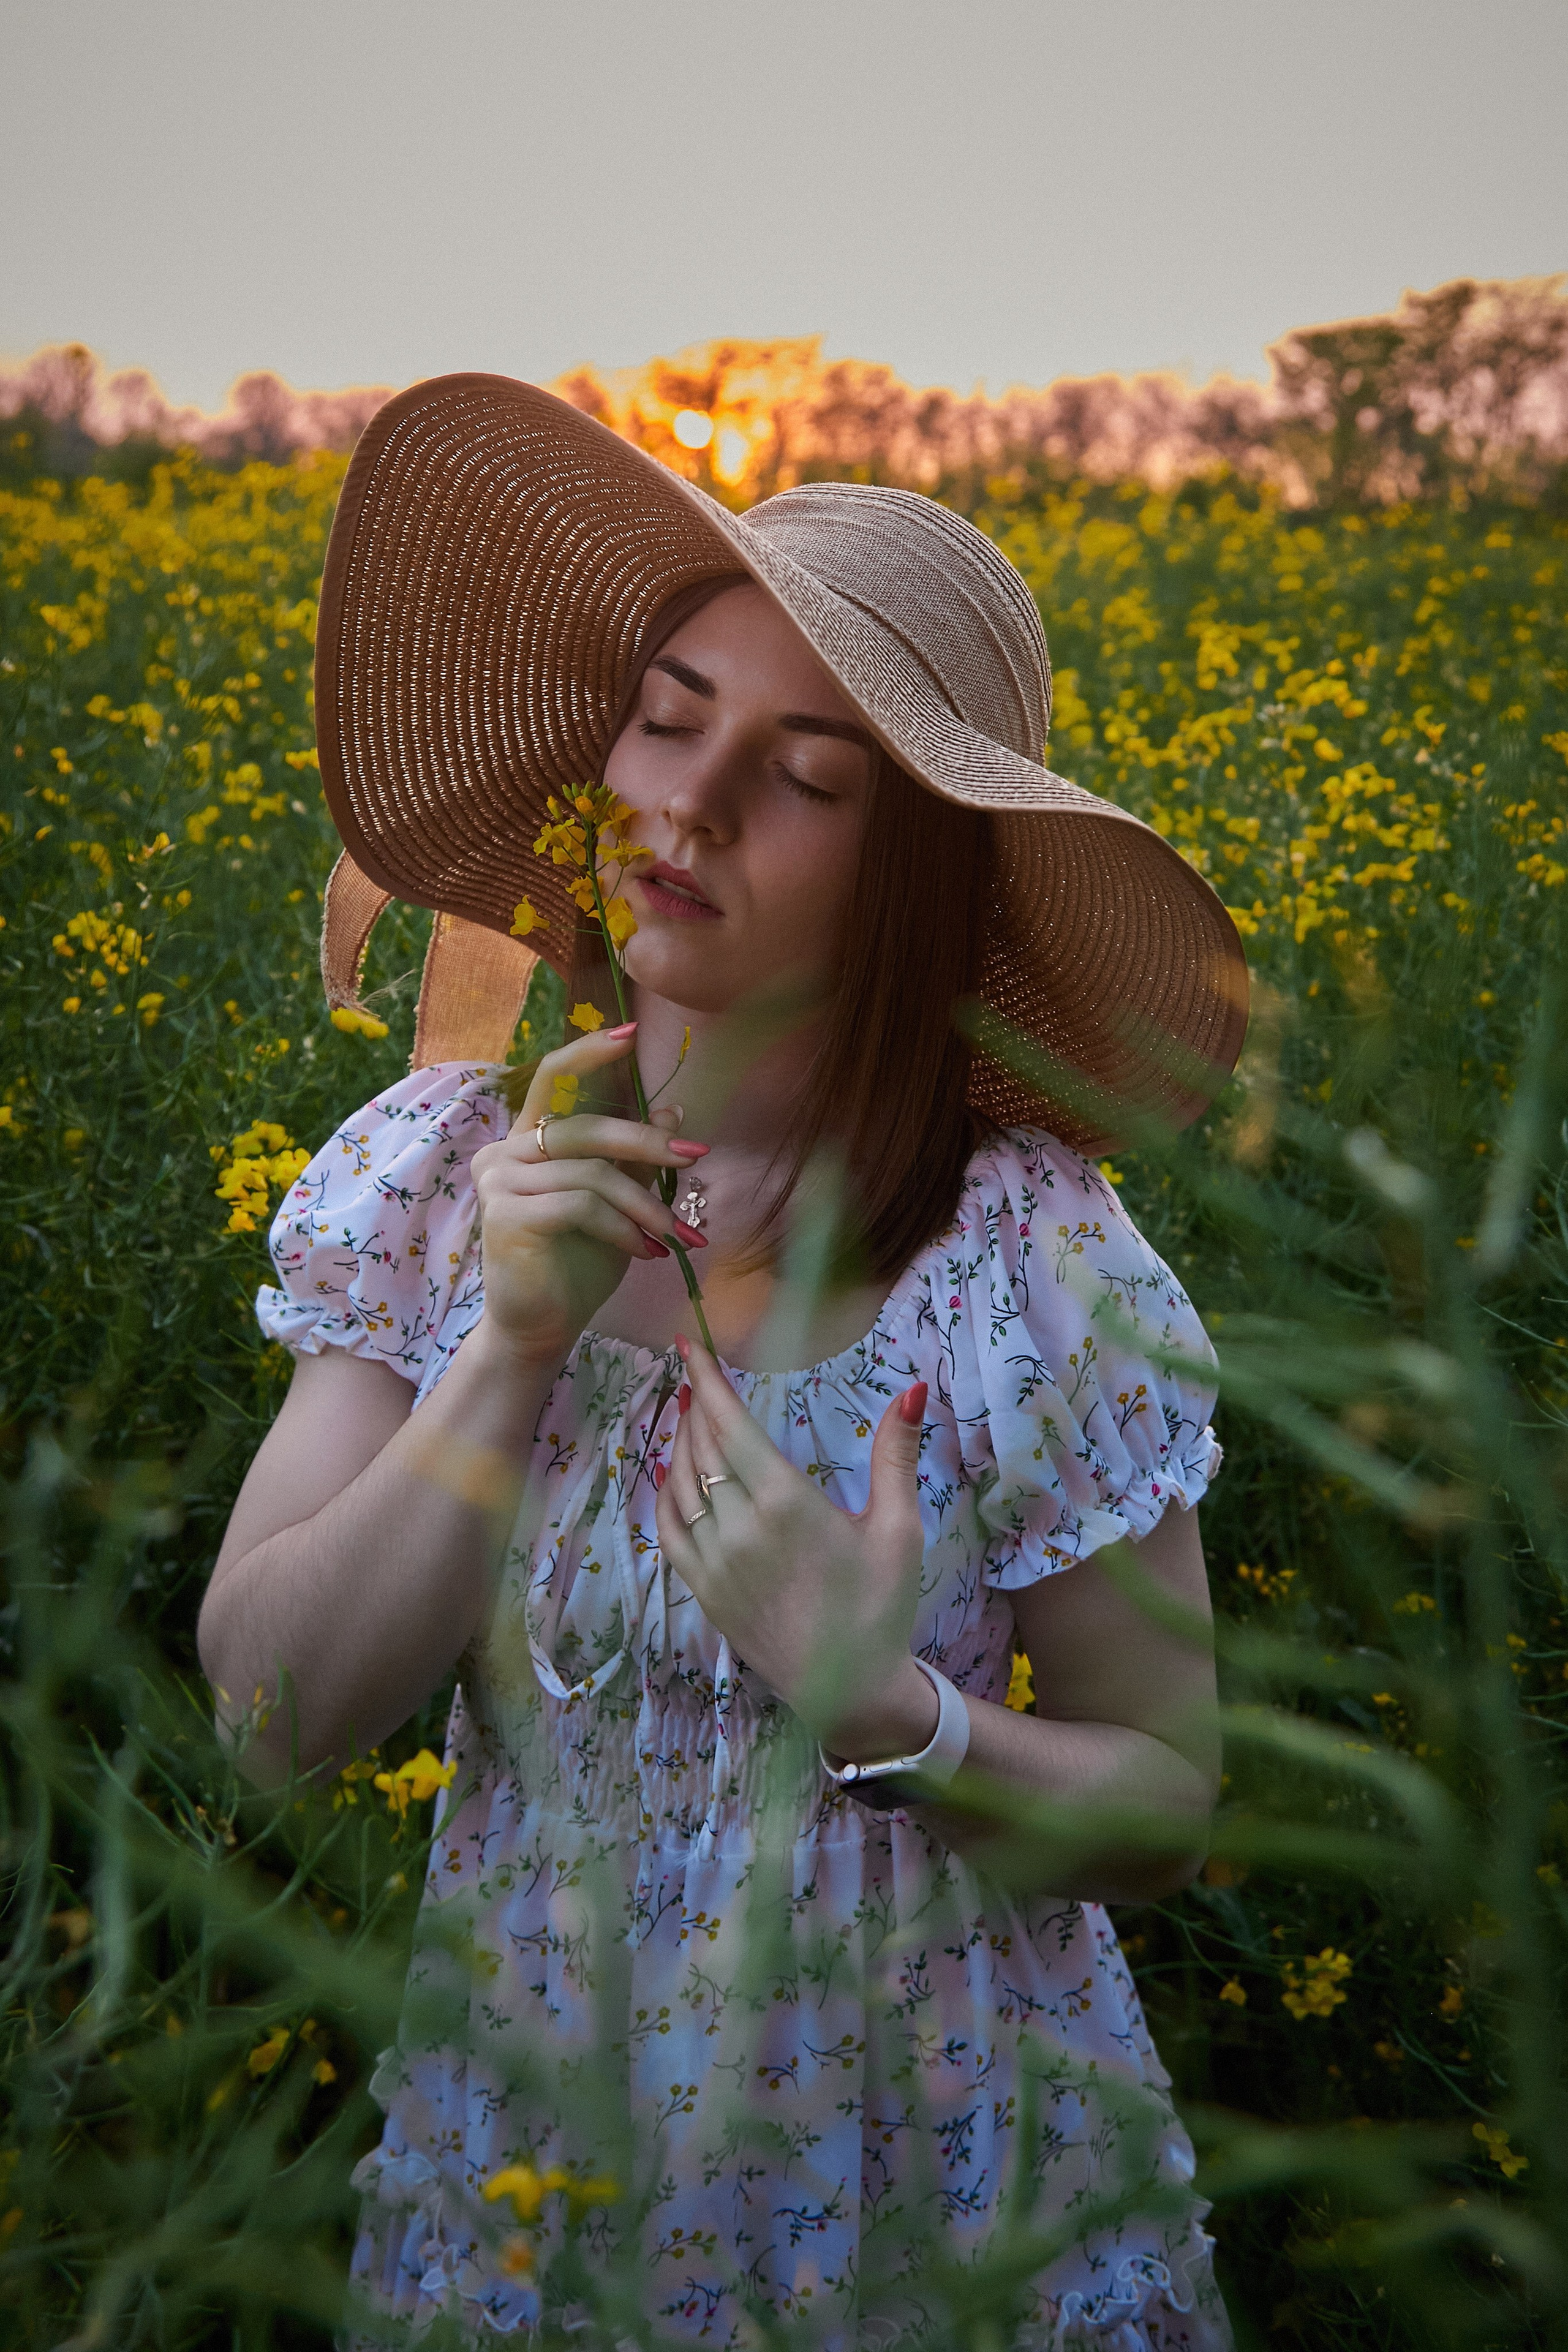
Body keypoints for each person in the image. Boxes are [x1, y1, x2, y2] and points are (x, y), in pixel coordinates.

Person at [198, 376, 1248, 2350]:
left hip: (948, 2196)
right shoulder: (432, 1188)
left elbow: (1167, 1803)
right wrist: (504, 1357)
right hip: (538, 2165)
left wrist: (888, 1708)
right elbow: (270, 1715)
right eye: (669, 713)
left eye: (806, 774)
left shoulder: (1024, 1264)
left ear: (910, 871)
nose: (682, 798)